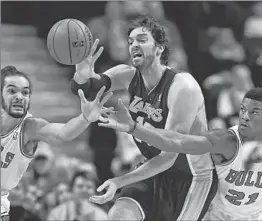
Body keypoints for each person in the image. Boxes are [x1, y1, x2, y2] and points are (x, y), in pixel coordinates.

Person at [70, 15, 217, 221]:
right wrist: (82, 76)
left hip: (190, 177)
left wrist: (119, 181)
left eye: (141, 40)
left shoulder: (183, 86)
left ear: (160, 48)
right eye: (130, 41)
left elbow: (169, 155)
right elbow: (86, 88)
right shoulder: (127, 75)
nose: (133, 45)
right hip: (151, 169)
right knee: (119, 215)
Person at [96, 87, 262, 220]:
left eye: (254, 112)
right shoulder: (226, 142)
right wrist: (135, 128)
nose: (245, 116)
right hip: (215, 214)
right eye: (242, 109)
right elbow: (179, 141)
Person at [0, 65, 113, 221]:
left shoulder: (30, 127)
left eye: (25, 92)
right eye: (12, 91)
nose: (20, 97)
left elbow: (64, 133)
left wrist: (84, 118)